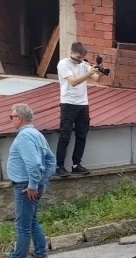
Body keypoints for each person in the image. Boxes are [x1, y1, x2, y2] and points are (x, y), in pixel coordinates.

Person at [0, 104, 57, 258]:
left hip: (25, 186)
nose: (11, 120)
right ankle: (40, 253)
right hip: (33, 184)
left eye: (11, 117)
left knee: (22, 224)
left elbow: (34, 163)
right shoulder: (37, 135)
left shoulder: (24, 137)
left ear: (19, 118)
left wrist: (33, 185)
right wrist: (43, 181)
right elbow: (51, 160)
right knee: (32, 220)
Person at [55, 41, 99, 178]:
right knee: (65, 135)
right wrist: (88, 73)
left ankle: (76, 164)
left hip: (83, 103)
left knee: (82, 135)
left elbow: (96, 78)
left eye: (82, 57)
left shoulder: (84, 64)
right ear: (72, 53)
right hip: (68, 103)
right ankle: (59, 166)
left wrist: (99, 70)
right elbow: (73, 82)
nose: (80, 60)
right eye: (78, 57)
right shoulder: (63, 64)